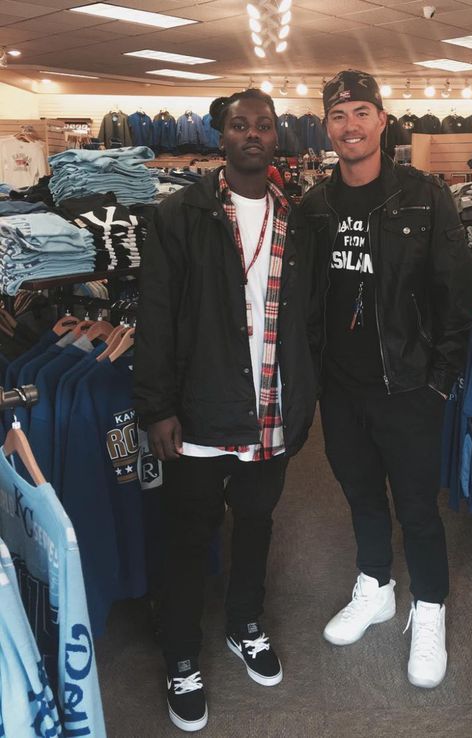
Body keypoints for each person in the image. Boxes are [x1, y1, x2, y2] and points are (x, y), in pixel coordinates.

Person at [134, 89, 316, 733]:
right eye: (240, 125)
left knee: (257, 522)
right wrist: (157, 407)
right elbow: (156, 316)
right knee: (189, 535)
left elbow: (308, 318)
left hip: (271, 405)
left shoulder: (297, 218)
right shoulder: (180, 214)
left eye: (264, 125)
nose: (253, 134)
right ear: (221, 136)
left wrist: (306, 393)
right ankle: (182, 654)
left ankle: (244, 622)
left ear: (277, 136)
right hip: (200, 407)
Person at [300, 70, 472, 689]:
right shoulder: (314, 207)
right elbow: (306, 301)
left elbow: (455, 296)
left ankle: (429, 606)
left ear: (382, 120)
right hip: (341, 388)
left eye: (361, 112)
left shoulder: (425, 197)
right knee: (361, 494)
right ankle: (375, 586)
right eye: (338, 115)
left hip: (408, 387)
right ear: (327, 127)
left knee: (418, 508)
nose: (351, 125)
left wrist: (440, 382)